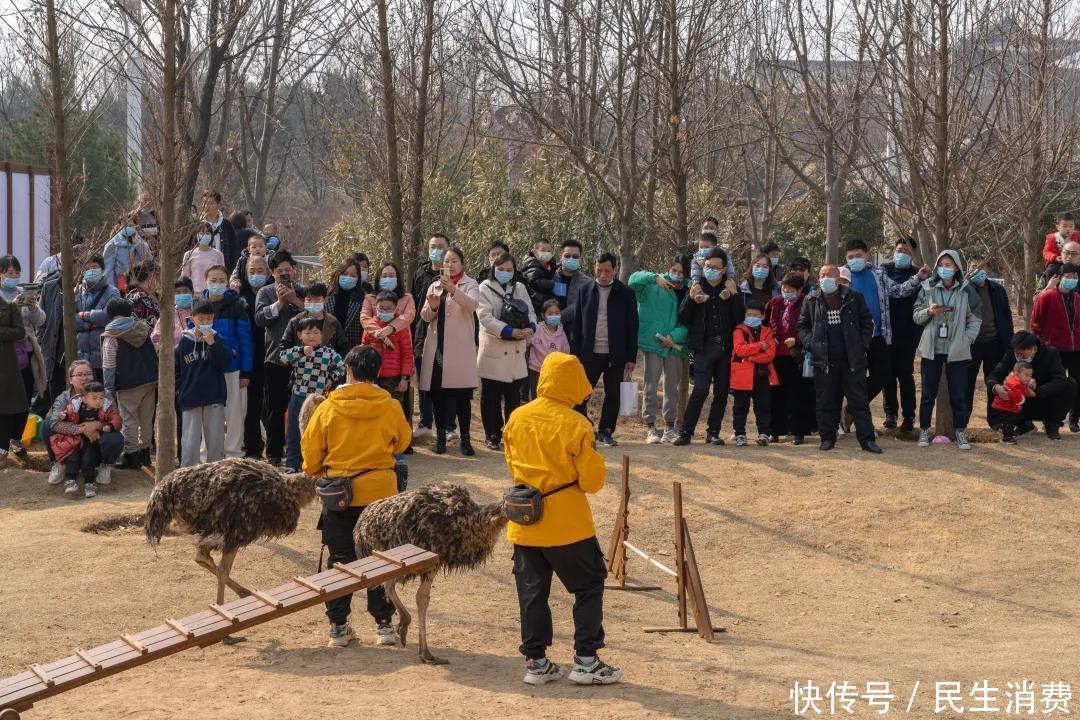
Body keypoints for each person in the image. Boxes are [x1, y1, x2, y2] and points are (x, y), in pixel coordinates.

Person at [502, 351, 620, 686]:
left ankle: (536, 663)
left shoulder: (517, 416)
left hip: (524, 522)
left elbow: (510, 463)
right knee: (588, 585)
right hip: (567, 523)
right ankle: (586, 660)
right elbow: (593, 482)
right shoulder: (576, 424)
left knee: (532, 592)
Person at [301, 345, 410, 649]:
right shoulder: (390, 406)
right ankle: (384, 624)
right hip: (382, 495)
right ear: (377, 372)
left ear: (348, 370)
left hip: (340, 495)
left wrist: (323, 469)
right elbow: (402, 440)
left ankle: (338, 626)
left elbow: (310, 457)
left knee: (340, 560)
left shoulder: (328, 407)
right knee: (380, 559)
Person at [842, 239, 929, 430]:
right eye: (850, 257)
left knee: (883, 374)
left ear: (867, 255)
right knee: (852, 377)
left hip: (878, 335)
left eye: (858, 256)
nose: (855, 260)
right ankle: (850, 416)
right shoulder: (841, 275)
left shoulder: (878, 274)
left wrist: (919, 277)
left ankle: (852, 408)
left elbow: (898, 291)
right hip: (850, 339)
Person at [797, 265, 883, 454]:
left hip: (852, 360)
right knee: (826, 401)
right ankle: (827, 438)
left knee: (858, 401)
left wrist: (862, 345)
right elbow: (802, 325)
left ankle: (867, 440)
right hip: (824, 360)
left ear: (838, 278)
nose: (825, 278)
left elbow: (867, 322)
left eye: (829, 275)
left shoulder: (854, 297)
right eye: (821, 275)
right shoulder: (811, 300)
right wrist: (812, 344)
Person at [563, 252, 639, 448]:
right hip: (588, 353)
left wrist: (631, 356)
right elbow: (576, 325)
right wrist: (575, 353)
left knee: (613, 393)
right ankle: (584, 427)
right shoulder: (585, 290)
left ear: (614, 270)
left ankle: (606, 431)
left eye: (607, 270)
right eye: (599, 270)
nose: (603, 274)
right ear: (594, 268)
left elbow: (632, 326)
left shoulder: (626, 293)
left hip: (616, 353)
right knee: (581, 393)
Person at [912, 250, 981, 450]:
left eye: (949, 265)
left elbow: (976, 318)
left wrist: (966, 340)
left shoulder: (967, 289)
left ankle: (960, 431)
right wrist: (928, 312)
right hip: (931, 348)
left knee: (959, 392)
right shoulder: (927, 287)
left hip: (957, 349)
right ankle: (924, 430)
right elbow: (916, 315)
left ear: (957, 267)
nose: (945, 268)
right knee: (927, 393)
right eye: (941, 264)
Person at [674, 248, 743, 446]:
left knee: (721, 392)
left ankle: (713, 432)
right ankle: (686, 432)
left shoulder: (729, 287)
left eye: (715, 267)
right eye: (708, 266)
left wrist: (735, 295)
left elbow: (739, 319)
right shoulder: (697, 285)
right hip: (702, 348)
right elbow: (683, 318)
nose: (711, 269)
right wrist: (690, 298)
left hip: (725, 348)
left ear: (723, 269)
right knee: (701, 390)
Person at [418, 246, 480, 456]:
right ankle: (441, 438)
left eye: (454, 261)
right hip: (437, 348)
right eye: (446, 261)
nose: (450, 264)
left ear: (462, 263)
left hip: (460, 349)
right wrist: (433, 307)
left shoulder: (470, 284)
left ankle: (465, 440)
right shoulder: (434, 285)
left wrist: (453, 289)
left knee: (462, 397)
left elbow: (472, 306)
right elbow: (425, 317)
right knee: (438, 396)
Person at [477, 252, 536, 450]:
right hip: (494, 348)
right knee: (491, 396)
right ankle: (491, 434)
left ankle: (510, 433)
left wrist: (531, 328)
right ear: (494, 268)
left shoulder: (519, 288)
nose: (504, 273)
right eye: (501, 269)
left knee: (513, 397)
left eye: (509, 270)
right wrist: (508, 330)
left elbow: (530, 311)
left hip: (516, 351)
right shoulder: (484, 288)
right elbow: (485, 317)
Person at [628, 256, 689, 444]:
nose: (676, 275)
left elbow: (690, 321)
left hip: (675, 346)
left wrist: (675, 337)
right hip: (653, 342)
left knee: (672, 386)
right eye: (674, 270)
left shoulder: (689, 291)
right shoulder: (652, 284)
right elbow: (632, 280)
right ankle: (651, 426)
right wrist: (654, 277)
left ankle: (669, 426)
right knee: (651, 384)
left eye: (680, 272)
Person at [254, 251, 305, 465]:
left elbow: (314, 314)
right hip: (275, 358)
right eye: (279, 271)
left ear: (294, 270)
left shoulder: (303, 291)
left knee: (302, 407)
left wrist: (293, 298)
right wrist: (279, 303)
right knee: (275, 408)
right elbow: (259, 319)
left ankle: (302, 451)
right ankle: (274, 453)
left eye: (287, 270)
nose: (284, 273)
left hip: (303, 360)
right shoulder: (265, 292)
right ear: (272, 273)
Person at [280, 317, 345, 472]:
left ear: (321, 335)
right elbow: (282, 357)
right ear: (299, 335)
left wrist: (331, 378)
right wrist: (301, 351)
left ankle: (317, 464)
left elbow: (342, 367)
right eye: (308, 332)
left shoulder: (328, 353)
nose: (312, 336)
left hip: (319, 400)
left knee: (318, 433)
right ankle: (292, 464)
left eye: (316, 332)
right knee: (294, 431)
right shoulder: (297, 351)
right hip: (299, 396)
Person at [43, 360, 123, 485]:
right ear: (71, 380)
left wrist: (98, 426)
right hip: (71, 443)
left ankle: (105, 465)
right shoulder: (64, 398)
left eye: (88, 374)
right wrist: (82, 429)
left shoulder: (105, 395)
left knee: (115, 437)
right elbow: (54, 423)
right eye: (79, 374)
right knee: (47, 424)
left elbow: (117, 421)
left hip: (96, 441)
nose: (84, 378)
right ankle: (60, 464)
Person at [100, 298, 158, 469]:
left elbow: (108, 365)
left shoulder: (111, 336)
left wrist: (109, 389)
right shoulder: (142, 329)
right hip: (149, 381)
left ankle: (132, 455)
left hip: (127, 385)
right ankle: (146, 453)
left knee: (129, 420)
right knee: (146, 418)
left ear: (109, 316)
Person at [987, 331, 1077, 439]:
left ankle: (1052, 424)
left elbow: (1060, 379)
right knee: (994, 386)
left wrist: (1037, 392)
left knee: (1070, 384)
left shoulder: (1050, 353)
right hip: (1019, 401)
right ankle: (1015, 425)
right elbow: (993, 376)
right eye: (1017, 353)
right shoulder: (1011, 354)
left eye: (1022, 354)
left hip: (1043, 398)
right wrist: (996, 387)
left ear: (1034, 349)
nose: (1019, 357)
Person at [205, 265, 254, 459]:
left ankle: (234, 453)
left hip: (233, 369)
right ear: (206, 281)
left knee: (234, 414)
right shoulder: (200, 304)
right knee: (208, 414)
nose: (217, 284)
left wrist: (246, 371)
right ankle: (208, 454)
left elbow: (245, 341)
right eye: (213, 280)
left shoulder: (237, 306)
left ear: (227, 282)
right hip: (207, 369)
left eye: (221, 280)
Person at [0, 255, 46, 452]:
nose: (14, 277)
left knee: (24, 397)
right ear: (1, 275)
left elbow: (41, 321)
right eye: (10, 273)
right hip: (3, 354)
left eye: (17, 273)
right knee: (4, 397)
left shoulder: (24, 294)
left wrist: (33, 307)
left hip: (25, 352)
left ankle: (16, 438)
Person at [177, 299, 231, 467]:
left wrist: (212, 344)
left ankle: (215, 472)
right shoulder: (184, 341)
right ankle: (188, 472)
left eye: (209, 319)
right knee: (190, 441)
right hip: (190, 397)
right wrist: (180, 392)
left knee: (215, 439)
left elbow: (224, 363)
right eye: (201, 319)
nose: (205, 323)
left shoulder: (218, 338)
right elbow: (177, 370)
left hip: (214, 396)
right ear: (192, 319)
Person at [965, 255, 1014, 428]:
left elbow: (1006, 318)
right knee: (966, 383)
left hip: (994, 342)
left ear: (989, 269)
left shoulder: (997, 290)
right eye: (973, 266)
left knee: (993, 382)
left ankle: (995, 421)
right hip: (971, 344)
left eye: (981, 267)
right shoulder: (963, 290)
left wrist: (1009, 344)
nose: (977, 270)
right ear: (967, 269)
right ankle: (962, 421)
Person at [49, 381, 121, 498]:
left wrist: (109, 426)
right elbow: (68, 413)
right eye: (94, 398)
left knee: (89, 459)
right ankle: (70, 480)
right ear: (84, 399)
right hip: (76, 439)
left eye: (101, 398)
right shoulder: (75, 406)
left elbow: (116, 419)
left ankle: (89, 483)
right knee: (73, 457)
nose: (99, 401)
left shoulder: (106, 408)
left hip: (92, 440)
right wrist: (64, 416)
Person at [765, 272, 814, 444]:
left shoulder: (808, 303)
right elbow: (765, 326)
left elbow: (813, 328)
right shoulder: (774, 303)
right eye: (784, 287)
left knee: (797, 394)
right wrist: (770, 339)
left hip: (797, 356)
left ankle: (798, 432)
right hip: (776, 355)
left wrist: (798, 341)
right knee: (775, 394)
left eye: (791, 289)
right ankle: (774, 431)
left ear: (800, 289)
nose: (786, 291)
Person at [1030, 263, 1080, 432]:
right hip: (1053, 348)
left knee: (1077, 384)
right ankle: (1049, 419)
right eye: (1068, 276)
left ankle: (1074, 419)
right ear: (1059, 277)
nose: (1071, 280)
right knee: (1053, 384)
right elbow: (1036, 322)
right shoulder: (1047, 296)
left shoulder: (1078, 299)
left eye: (1075, 276)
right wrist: (1040, 345)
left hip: (1076, 349)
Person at [411, 233, 451, 437]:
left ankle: (449, 425)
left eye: (441, 246)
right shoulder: (420, 272)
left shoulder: (452, 274)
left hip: (446, 333)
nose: (436, 249)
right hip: (421, 331)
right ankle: (425, 423)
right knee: (424, 379)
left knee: (446, 380)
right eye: (433, 246)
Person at [361, 291, 414, 421]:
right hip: (372, 377)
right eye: (382, 308)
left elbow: (407, 355)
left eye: (389, 308)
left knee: (393, 412)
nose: (385, 311)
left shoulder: (400, 328)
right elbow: (363, 350)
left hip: (394, 379)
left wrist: (404, 378)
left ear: (396, 308)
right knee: (372, 411)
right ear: (376, 308)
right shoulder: (370, 327)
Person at [731, 300, 777, 446]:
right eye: (748, 314)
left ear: (762, 316)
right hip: (743, 375)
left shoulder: (768, 331)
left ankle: (764, 433)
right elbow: (739, 350)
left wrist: (750, 356)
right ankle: (740, 434)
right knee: (740, 407)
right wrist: (759, 346)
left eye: (755, 315)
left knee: (762, 406)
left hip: (762, 376)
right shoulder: (739, 330)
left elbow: (770, 354)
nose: (751, 317)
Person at [239, 255, 269, 459]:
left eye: (260, 271)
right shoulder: (240, 298)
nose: (256, 275)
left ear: (267, 273)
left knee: (272, 406)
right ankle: (253, 448)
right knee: (251, 406)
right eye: (252, 271)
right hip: (250, 358)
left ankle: (277, 446)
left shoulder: (274, 293)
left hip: (274, 355)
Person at [74, 254, 122, 377]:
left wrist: (83, 315)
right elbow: (70, 319)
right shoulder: (77, 292)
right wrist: (92, 323)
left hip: (103, 358)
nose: (91, 271)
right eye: (87, 268)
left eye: (94, 267)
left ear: (102, 268)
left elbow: (108, 316)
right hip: (80, 357)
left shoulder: (112, 292)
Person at [0, 289, 29, 469]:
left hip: (7, 365)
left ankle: (7, 444)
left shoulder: (9, 307)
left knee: (15, 407)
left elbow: (19, 332)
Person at [327, 256, 371, 356]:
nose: (348, 277)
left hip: (352, 351)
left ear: (358, 278)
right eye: (345, 274)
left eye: (353, 275)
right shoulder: (326, 295)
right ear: (338, 274)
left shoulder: (363, 298)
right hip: (327, 349)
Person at [281, 282, 343, 354]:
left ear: (325, 300)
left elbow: (343, 347)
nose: (313, 303)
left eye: (317, 299)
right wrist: (300, 352)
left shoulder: (333, 322)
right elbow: (284, 348)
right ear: (304, 300)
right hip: (300, 364)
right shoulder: (295, 322)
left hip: (327, 364)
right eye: (309, 300)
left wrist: (335, 362)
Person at [528, 300, 570, 399]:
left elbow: (566, 352)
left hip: (554, 373)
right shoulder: (537, 329)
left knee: (551, 398)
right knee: (536, 398)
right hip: (537, 371)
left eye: (557, 313)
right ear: (543, 315)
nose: (554, 316)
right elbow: (526, 343)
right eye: (550, 313)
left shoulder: (562, 334)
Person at [102, 211, 151, 291]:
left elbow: (149, 258)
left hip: (141, 283)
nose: (127, 228)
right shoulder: (112, 245)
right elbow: (107, 271)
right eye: (124, 225)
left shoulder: (140, 241)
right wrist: (112, 291)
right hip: (121, 284)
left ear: (135, 226)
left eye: (130, 225)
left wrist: (137, 242)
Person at [989, 361, 1035, 444]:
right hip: (1004, 408)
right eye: (1026, 375)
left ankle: (1004, 430)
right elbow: (1016, 398)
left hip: (1006, 407)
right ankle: (1007, 437)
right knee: (1009, 422)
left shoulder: (1014, 378)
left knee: (1013, 420)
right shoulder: (1015, 384)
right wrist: (1022, 400)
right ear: (1017, 373)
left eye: (1030, 375)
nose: (1029, 378)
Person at [181, 222, 227, 295]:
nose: (204, 235)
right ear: (196, 235)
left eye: (207, 233)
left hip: (213, 294)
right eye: (202, 233)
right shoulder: (188, 254)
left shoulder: (218, 254)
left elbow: (223, 276)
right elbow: (185, 279)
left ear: (211, 235)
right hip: (195, 295)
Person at [152, 277, 195, 352]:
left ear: (192, 293)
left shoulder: (199, 311)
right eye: (177, 292)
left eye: (185, 291)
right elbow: (155, 341)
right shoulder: (168, 315)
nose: (182, 294)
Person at [202, 189, 239, 272]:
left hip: (223, 270)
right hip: (203, 270)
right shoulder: (198, 226)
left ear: (218, 204)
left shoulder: (226, 224)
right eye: (204, 203)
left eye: (210, 203)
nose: (206, 206)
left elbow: (233, 249)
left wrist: (231, 270)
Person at [690, 217, 736, 282]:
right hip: (702, 284)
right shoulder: (696, 254)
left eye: (711, 228)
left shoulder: (723, 252)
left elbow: (729, 266)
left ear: (717, 231)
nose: (708, 230)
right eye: (706, 228)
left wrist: (730, 278)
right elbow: (694, 268)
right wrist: (695, 280)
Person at [552, 239, 591, 311]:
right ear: (561, 257)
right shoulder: (550, 278)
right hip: (549, 321)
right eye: (567, 256)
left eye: (575, 257)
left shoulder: (588, 283)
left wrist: (561, 317)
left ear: (581, 259)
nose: (571, 259)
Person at [522, 237, 557, 316]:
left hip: (544, 300)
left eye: (549, 251)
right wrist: (552, 284)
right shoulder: (532, 265)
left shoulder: (548, 265)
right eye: (543, 250)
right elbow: (533, 281)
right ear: (534, 252)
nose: (546, 253)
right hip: (535, 302)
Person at [1042, 212, 1080, 277]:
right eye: (1064, 226)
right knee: (1050, 272)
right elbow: (1046, 252)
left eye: (1071, 226)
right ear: (1058, 227)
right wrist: (1055, 257)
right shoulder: (1052, 238)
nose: (1068, 229)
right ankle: (1052, 286)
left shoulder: (1078, 235)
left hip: (1074, 261)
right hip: (1057, 262)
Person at [124, 261, 160, 325]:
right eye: (159, 276)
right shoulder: (140, 297)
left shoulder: (132, 294)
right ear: (152, 276)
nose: (161, 279)